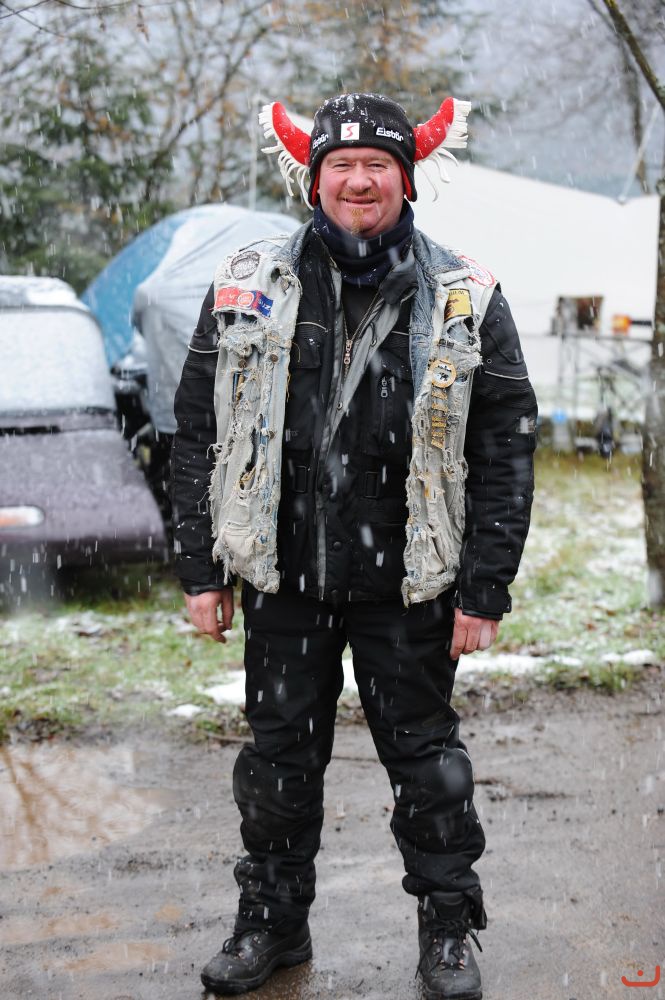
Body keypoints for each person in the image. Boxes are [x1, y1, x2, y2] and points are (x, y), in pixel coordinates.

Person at [171, 92, 537, 1000]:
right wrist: (199, 569)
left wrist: (484, 587)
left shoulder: (466, 295)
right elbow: (196, 430)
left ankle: (447, 929)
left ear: (406, 179)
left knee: (429, 770)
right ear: (314, 179)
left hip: (409, 582)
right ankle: (271, 925)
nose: (359, 180)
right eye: (341, 165)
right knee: (276, 767)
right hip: (283, 578)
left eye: (378, 164)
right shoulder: (246, 280)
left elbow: (504, 445)